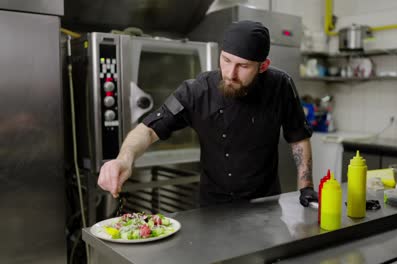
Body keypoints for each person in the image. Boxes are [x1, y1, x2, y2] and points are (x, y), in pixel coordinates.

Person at [98, 20, 318, 207]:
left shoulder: (280, 86)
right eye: (226, 60)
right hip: (213, 207)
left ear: (263, 66)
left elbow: (298, 137)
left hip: (264, 204)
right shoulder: (197, 91)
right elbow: (148, 130)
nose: (230, 73)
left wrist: (306, 186)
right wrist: (123, 160)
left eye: (243, 66)